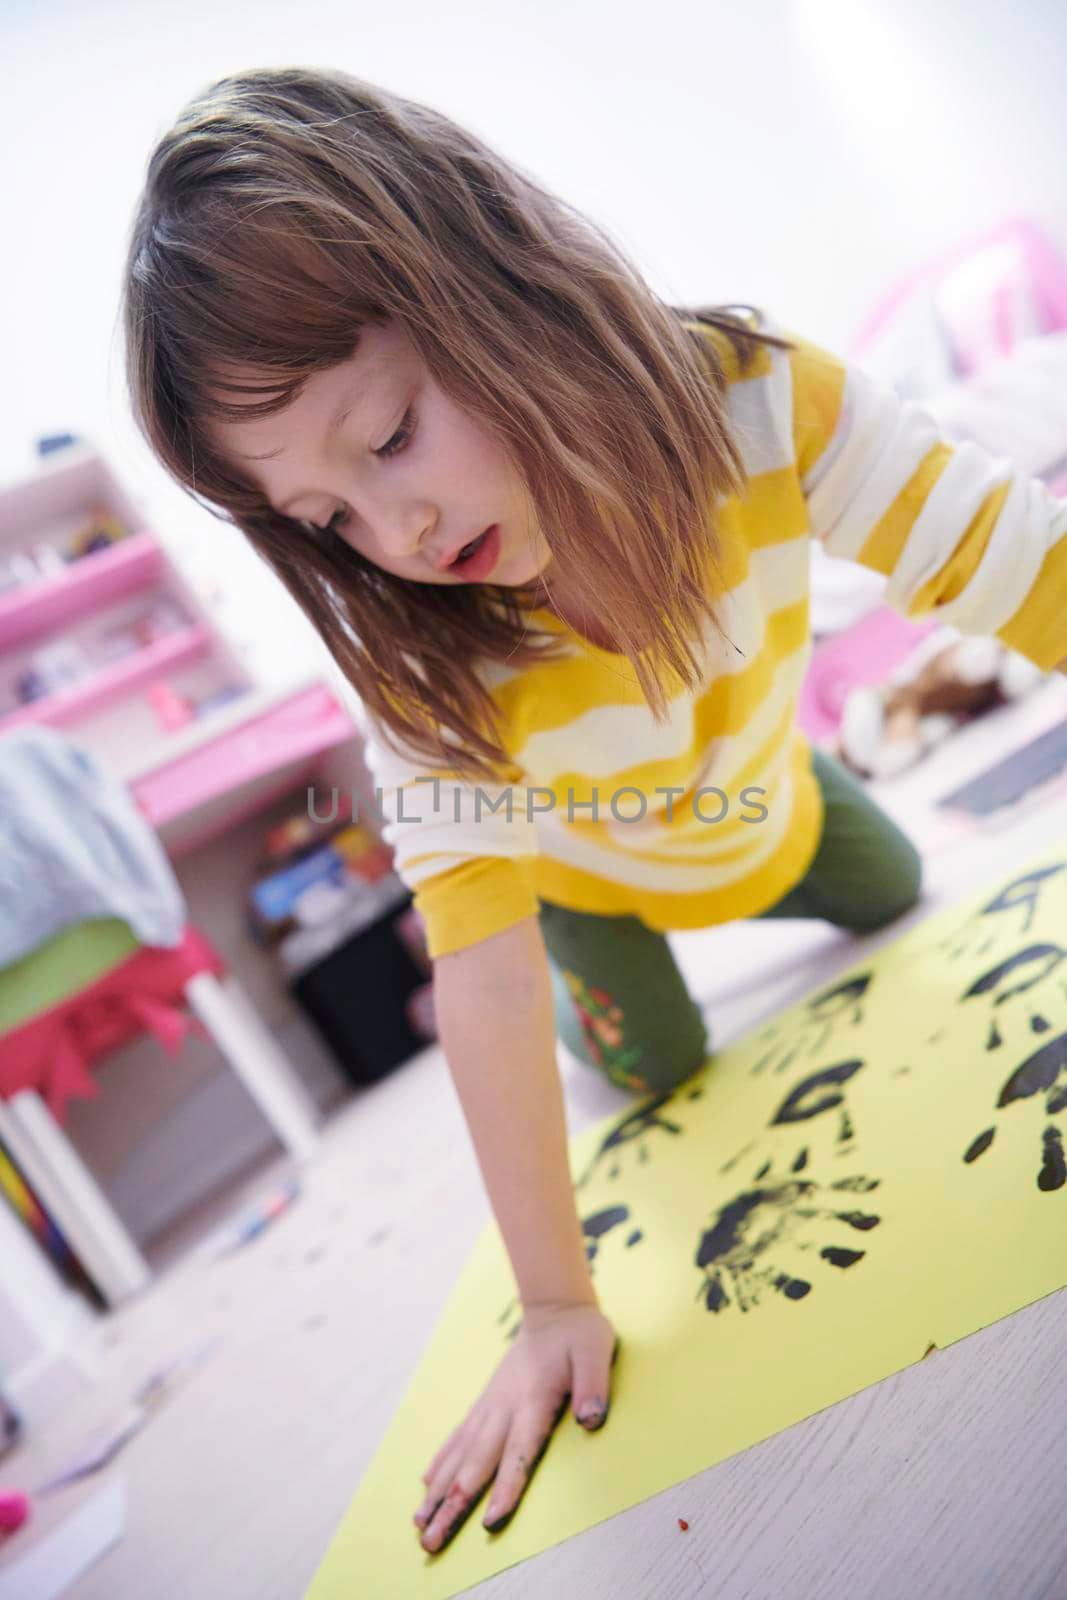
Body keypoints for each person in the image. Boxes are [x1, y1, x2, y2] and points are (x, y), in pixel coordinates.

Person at [120, 66, 1067, 1554]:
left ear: (496, 273)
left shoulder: (763, 400)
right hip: (597, 889)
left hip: (767, 810)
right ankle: (598, 935)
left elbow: (1020, 562)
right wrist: (555, 1301)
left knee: (893, 891)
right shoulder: (426, 664)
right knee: (662, 1055)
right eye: (332, 523)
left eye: (387, 443)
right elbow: (476, 977)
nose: (404, 536)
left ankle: (776, 818)